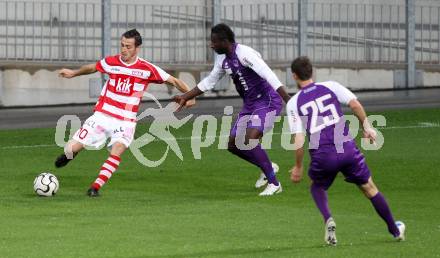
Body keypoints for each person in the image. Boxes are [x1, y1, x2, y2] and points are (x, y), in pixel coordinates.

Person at [55, 29, 195, 197]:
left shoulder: (146, 68)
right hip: (102, 115)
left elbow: (173, 80)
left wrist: (190, 95)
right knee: (73, 148)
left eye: (128, 46)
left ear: (137, 48)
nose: (123, 50)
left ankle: (95, 187)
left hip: (125, 120)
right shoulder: (112, 62)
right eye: (122, 45)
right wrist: (73, 73)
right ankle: (70, 155)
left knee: (118, 148)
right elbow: (93, 67)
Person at [286, 56, 405, 245]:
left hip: (323, 155)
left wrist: (298, 166)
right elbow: (355, 104)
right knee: (369, 188)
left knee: (317, 186)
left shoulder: (294, 103)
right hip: (347, 149)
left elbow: (299, 138)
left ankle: (328, 219)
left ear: (294, 76)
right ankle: (395, 230)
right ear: (312, 72)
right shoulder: (331, 86)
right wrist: (367, 127)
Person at [173, 23, 291, 196]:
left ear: (225, 41)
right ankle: (267, 166)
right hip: (250, 104)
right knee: (233, 144)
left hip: (267, 101)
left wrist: (288, 99)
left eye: (214, 42)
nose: (211, 45)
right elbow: (209, 81)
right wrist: (186, 96)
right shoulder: (222, 60)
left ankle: (274, 184)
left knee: (251, 138)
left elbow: (268, 74)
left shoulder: (245, 54)